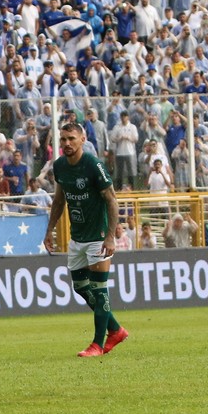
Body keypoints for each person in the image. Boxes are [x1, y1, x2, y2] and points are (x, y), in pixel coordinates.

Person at [43, 123, 129, 357]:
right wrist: (49, 230)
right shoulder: (59, 166)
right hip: (77, 236)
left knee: (100, 291)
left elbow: (111, 199)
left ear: (83, 139)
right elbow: (59, 201)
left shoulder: (93, 165)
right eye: (63, 139)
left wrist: (110, 236)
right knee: (80, 286)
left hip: (98, 237)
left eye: (71, 138)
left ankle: (97, 345)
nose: (67, 143)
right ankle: (115, 330)